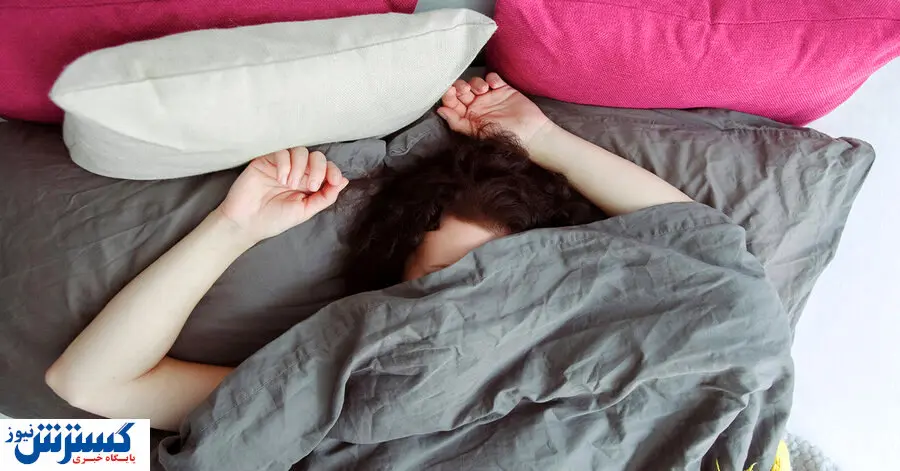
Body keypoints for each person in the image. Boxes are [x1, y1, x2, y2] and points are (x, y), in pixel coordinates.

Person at [45, 73, 691, 432]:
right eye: (441, 281)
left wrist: (541, 138)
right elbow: (91, 383)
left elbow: (705, 252)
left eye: (496, 277)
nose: (469, 302)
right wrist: (233, 228)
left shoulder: (606, 351)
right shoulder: (350, 385)